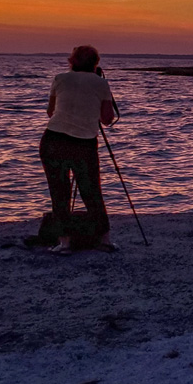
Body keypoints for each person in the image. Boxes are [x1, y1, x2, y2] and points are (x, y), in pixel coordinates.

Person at [39, 45, 117, 255]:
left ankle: (64, 243)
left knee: (59, 192)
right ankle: (105, 240)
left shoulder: (60, 79)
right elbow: (108, 119)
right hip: (84, 142)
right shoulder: (101, 83)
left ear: (71, 61)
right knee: (91, 192)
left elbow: (50, 112)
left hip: (53, 139)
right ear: (96, 63)